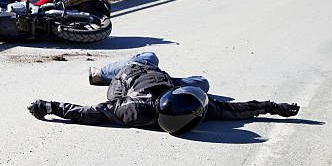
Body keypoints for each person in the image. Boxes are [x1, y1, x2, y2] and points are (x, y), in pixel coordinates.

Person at [27, 52, 300, 134]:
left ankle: (101, 73)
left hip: (131, 76)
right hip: (146, 75)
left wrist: (50, 106)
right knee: (202, 83)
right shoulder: (193, 110)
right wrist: (273, 106)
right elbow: (237, 110)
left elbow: (90, 113)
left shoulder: (131, 111)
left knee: (149, 56)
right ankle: (105, 71)